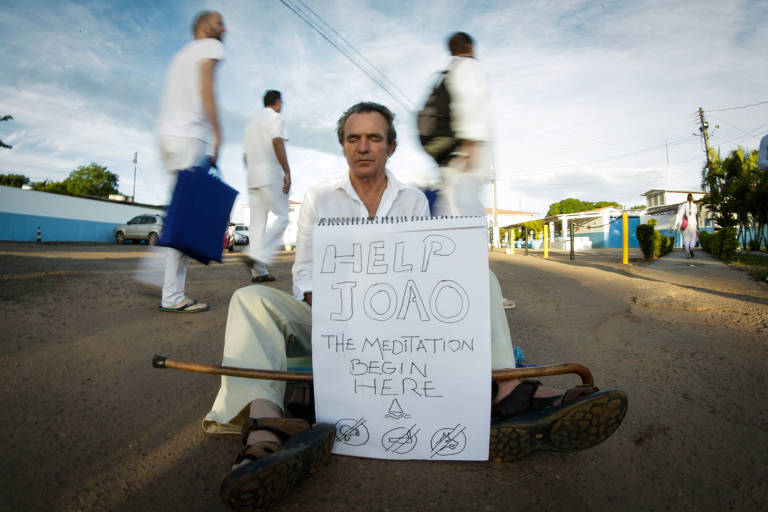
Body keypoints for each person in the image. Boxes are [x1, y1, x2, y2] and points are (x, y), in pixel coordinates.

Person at [204, 102, 627, 510]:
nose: (363, 146)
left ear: (390, 147)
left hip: (400, 331)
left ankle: (508, 391)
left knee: (483, 278)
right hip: (331, 325)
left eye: (374, 138)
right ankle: (266, 425)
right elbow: (305, 275)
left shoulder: (411, 201)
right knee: (250, 298)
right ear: (344, 146)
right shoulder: (319, 199)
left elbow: (427, 276)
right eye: (354, 139)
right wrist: (342, 309)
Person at [154, 10, 225, 312]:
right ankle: (172, 296)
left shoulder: (179, 56)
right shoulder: (209, 46)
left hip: (167, 137)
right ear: (203, 26)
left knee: (176, 212)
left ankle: (154, 276)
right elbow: (206, 88)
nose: (224, 28)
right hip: (189, 138)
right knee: (186, 218)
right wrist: (218, 132)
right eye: (219, 22)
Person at [243, 90, 292, 282]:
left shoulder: (251, 126)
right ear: (277, 102)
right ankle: (257, 254)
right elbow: (277, 141)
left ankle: (259, 272)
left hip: (253, 177)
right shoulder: (276, 118)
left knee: (257, 224)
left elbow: (246, 156)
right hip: (270, 174)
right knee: (283, 216)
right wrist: (287, 171)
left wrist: (253, 173)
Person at [676, 193, 699, 258]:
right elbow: (695, 214)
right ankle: (691, 248)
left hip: (685, 224)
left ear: (687, 198)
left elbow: (680, 214)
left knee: (686, 239)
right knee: (693, 237)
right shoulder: (695, 205)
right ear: (692, 198)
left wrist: (679, 224)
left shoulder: (684, 205)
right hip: (693, 224)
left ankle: (688, 253)